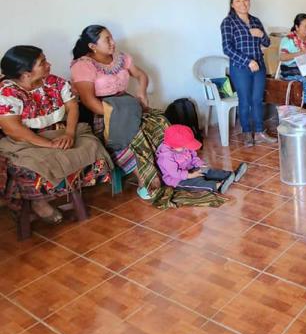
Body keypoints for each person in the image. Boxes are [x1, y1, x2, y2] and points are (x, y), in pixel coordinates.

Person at [0, 46, 112, 224]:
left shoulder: (54, 82)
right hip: (27, 140)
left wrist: (69, 133)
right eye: (42, 62)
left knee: (92, 145)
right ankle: (39, 202)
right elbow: (13, 129)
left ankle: (66, 192)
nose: (49, 64)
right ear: (26, 73)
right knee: (33, 162)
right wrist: (49, 144)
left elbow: (72, 107)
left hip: (61, 131)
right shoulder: (7, 92)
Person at [70, 24, 165, 199]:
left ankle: (168, 168)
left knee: (158, 122)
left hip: (126, 104)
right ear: (92, 46)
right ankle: (146, 179)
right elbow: (89, 101)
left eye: (112, 38)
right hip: (102, 112)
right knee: (130, 135)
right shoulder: (83, 65)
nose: (113, 42)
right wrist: (118, 117)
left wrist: (141, 93)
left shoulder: (121, 58)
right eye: (107, 40)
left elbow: (141, 75)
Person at [220, 0, 275, 147]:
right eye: (238, 0)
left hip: (259, 66)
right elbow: (227, 48)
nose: (242, 3)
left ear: (249, 1)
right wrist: (247, 61)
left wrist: (261, 35)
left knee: (257, 100)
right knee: (244, 100)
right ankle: (246, 132)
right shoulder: (228, 22)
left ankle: (259, 132)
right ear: (232, 4)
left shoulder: (256, 21)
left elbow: (267, 43)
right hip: (240, 68)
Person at [156, 124, 246, 193]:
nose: (186, 148)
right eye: (184, 147)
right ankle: (218, 186)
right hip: (177, 179)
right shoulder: (166, 157)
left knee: (207, 171)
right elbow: (174, 173)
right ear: (174, 145)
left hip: (190, 169)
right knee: (197, 182)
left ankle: (230, 175)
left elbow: (194, 157)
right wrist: (190, 175)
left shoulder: (184, 147)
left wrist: (200, 164)